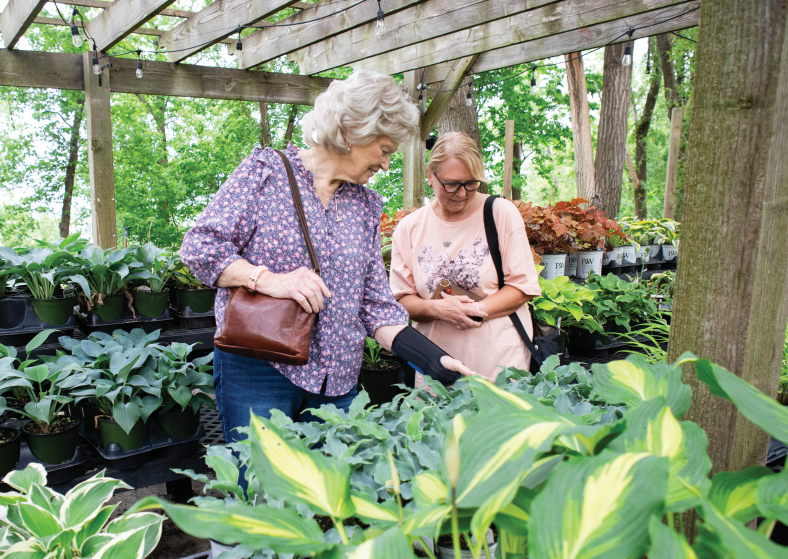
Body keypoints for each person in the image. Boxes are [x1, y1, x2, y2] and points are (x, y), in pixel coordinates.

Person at [180, 72, 471, 444]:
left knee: (336, 491)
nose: (385, 165)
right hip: (259, 369)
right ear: (352, 131)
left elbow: (375, 305)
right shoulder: (266, 173)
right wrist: (270, 280)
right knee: (262, 490)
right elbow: (200, 248)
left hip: (338, 380)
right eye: (384, 150)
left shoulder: (365, 205)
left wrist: (432, 359)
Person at [390, 132, 540, 381]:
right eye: (451, 184)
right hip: (436, 368)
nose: (461, 193)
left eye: (471, 183)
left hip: (500, 365)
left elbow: (523, 287)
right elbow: (402, 299)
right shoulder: (409, 228)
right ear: (430, 175)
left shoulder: (500, 213)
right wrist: (438, 309)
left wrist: (474, 310)